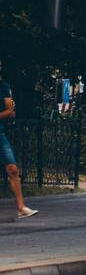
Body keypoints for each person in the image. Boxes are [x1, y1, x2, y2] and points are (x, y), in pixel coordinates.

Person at [0, 60, 37, 219]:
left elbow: (10, 110)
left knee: (13, 169)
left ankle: (21, 208)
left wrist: (8, 111)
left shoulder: (3, 85)